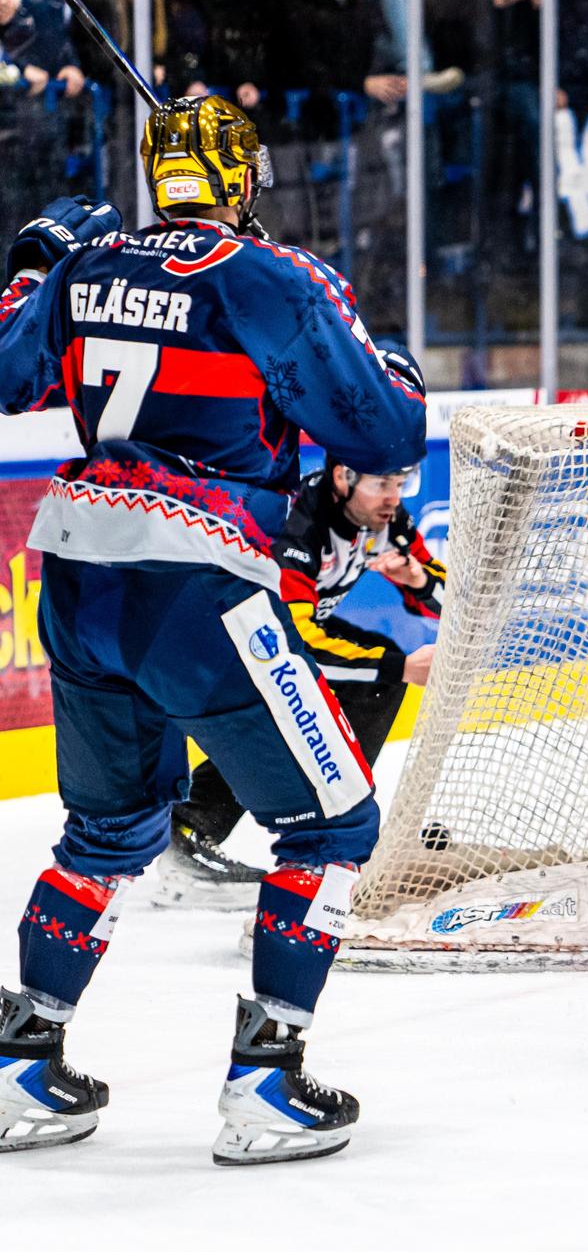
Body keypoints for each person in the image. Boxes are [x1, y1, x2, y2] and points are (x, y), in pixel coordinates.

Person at [0, 95, 425, 1161]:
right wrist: (336, 326)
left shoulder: (84, 268)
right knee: (334, 824)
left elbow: (6, 370)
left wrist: (34, 263)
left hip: (79, 573)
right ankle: (267, 1082)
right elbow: (386, 424)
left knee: (106, 832)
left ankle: (19, 1064)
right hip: (195, 583)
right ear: (243, 177)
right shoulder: (267, 276)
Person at [157, 454, 444, 907]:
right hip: (222, 636)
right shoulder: (299, 524)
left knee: (374, 681)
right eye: (383, 484)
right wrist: (401, 667)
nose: (394, 497)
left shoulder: (384, 516)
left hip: (266, 632)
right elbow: (291, 639)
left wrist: (418, 579)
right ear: (341, 478)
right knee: (271, 716)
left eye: (400, 484)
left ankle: (343, 816)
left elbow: (451, 600)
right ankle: (188, 835)